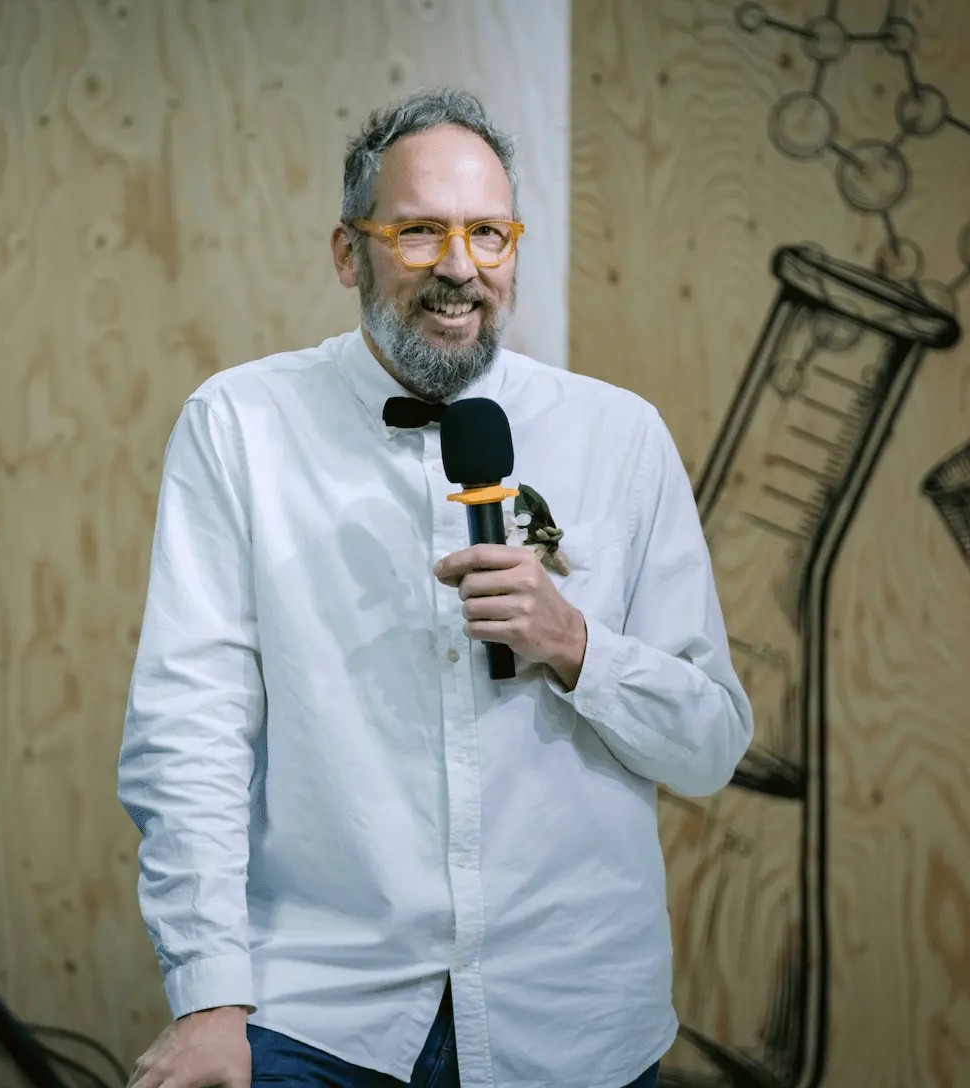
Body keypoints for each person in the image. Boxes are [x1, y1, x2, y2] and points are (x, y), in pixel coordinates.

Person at [117, 86, 753, 1088]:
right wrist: (208, 994)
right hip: (326, 1010)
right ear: (347, 252)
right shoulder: (241, 424)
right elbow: (188, 728)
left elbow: (713, 741)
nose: (460, 268)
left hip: (574, 1018)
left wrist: (576, 643)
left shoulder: (617, 435)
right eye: (419, 232)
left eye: (488, 234)